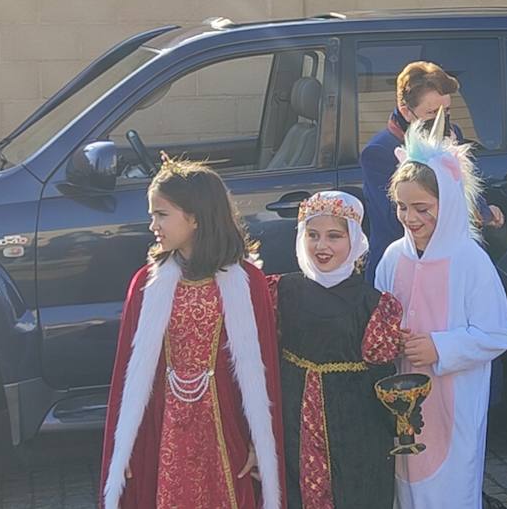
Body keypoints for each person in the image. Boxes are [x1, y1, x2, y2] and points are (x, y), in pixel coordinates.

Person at [100, 158, 285, 509]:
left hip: (225, 423)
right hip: (164, 421)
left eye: (162, 214)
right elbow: (131, 373)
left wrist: (257, 441)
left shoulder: (246, 284)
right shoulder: (147, 284)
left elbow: (262, 373)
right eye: (152, 214)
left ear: (196, 217)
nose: (152, 224)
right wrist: (128, 445)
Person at [374, 111, 507, 508]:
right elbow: (379, 317)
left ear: (448, 202)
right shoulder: (392, 258)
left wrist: (441, 347)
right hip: (401, 402)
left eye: (422, 207)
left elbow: (497, 333)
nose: (411, 218)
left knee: (449, 488)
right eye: (403, 207)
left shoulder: (470, 261)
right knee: (406, 483)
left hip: (453, 399)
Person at [273, 191, 405, 508]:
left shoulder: (375, 305)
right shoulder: (281, 291)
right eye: (313, 235)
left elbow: (383, 374)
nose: (322, 246)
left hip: (358, 427)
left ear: (355, 240)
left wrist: (398, 423)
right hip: (294, 421)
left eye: (334, 236)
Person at [360, 60, 504, 281]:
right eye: (432, 113)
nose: (441, 121)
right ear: (406, 112)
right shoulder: (380, 151)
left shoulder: (450, 132)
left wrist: (483, 212)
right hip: (404, 265)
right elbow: (392, 220)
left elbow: (462, 186)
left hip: (449, 259)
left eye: (446, 111)